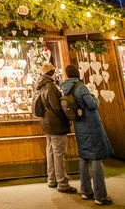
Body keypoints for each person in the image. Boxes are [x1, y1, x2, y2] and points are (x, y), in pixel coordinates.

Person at [61, 64, 113, 206]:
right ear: (78, 73)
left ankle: (85, 191)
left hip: (79, 125)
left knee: (83, 157)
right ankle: (100, 195)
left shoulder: (65, 88)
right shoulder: (81, 87)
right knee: (96, 158)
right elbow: (91, 104)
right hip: (91, 125)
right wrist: (96, 99)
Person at [36, 63, 77, 193]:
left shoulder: (41, 85)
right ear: (51, 73)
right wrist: (66, 118)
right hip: (56, 124)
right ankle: (62, 183)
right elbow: (57, 107)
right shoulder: (51, 86)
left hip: (47, 123)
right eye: (55, 72)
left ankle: (52, 179)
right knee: (59, 153)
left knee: (51, 151)